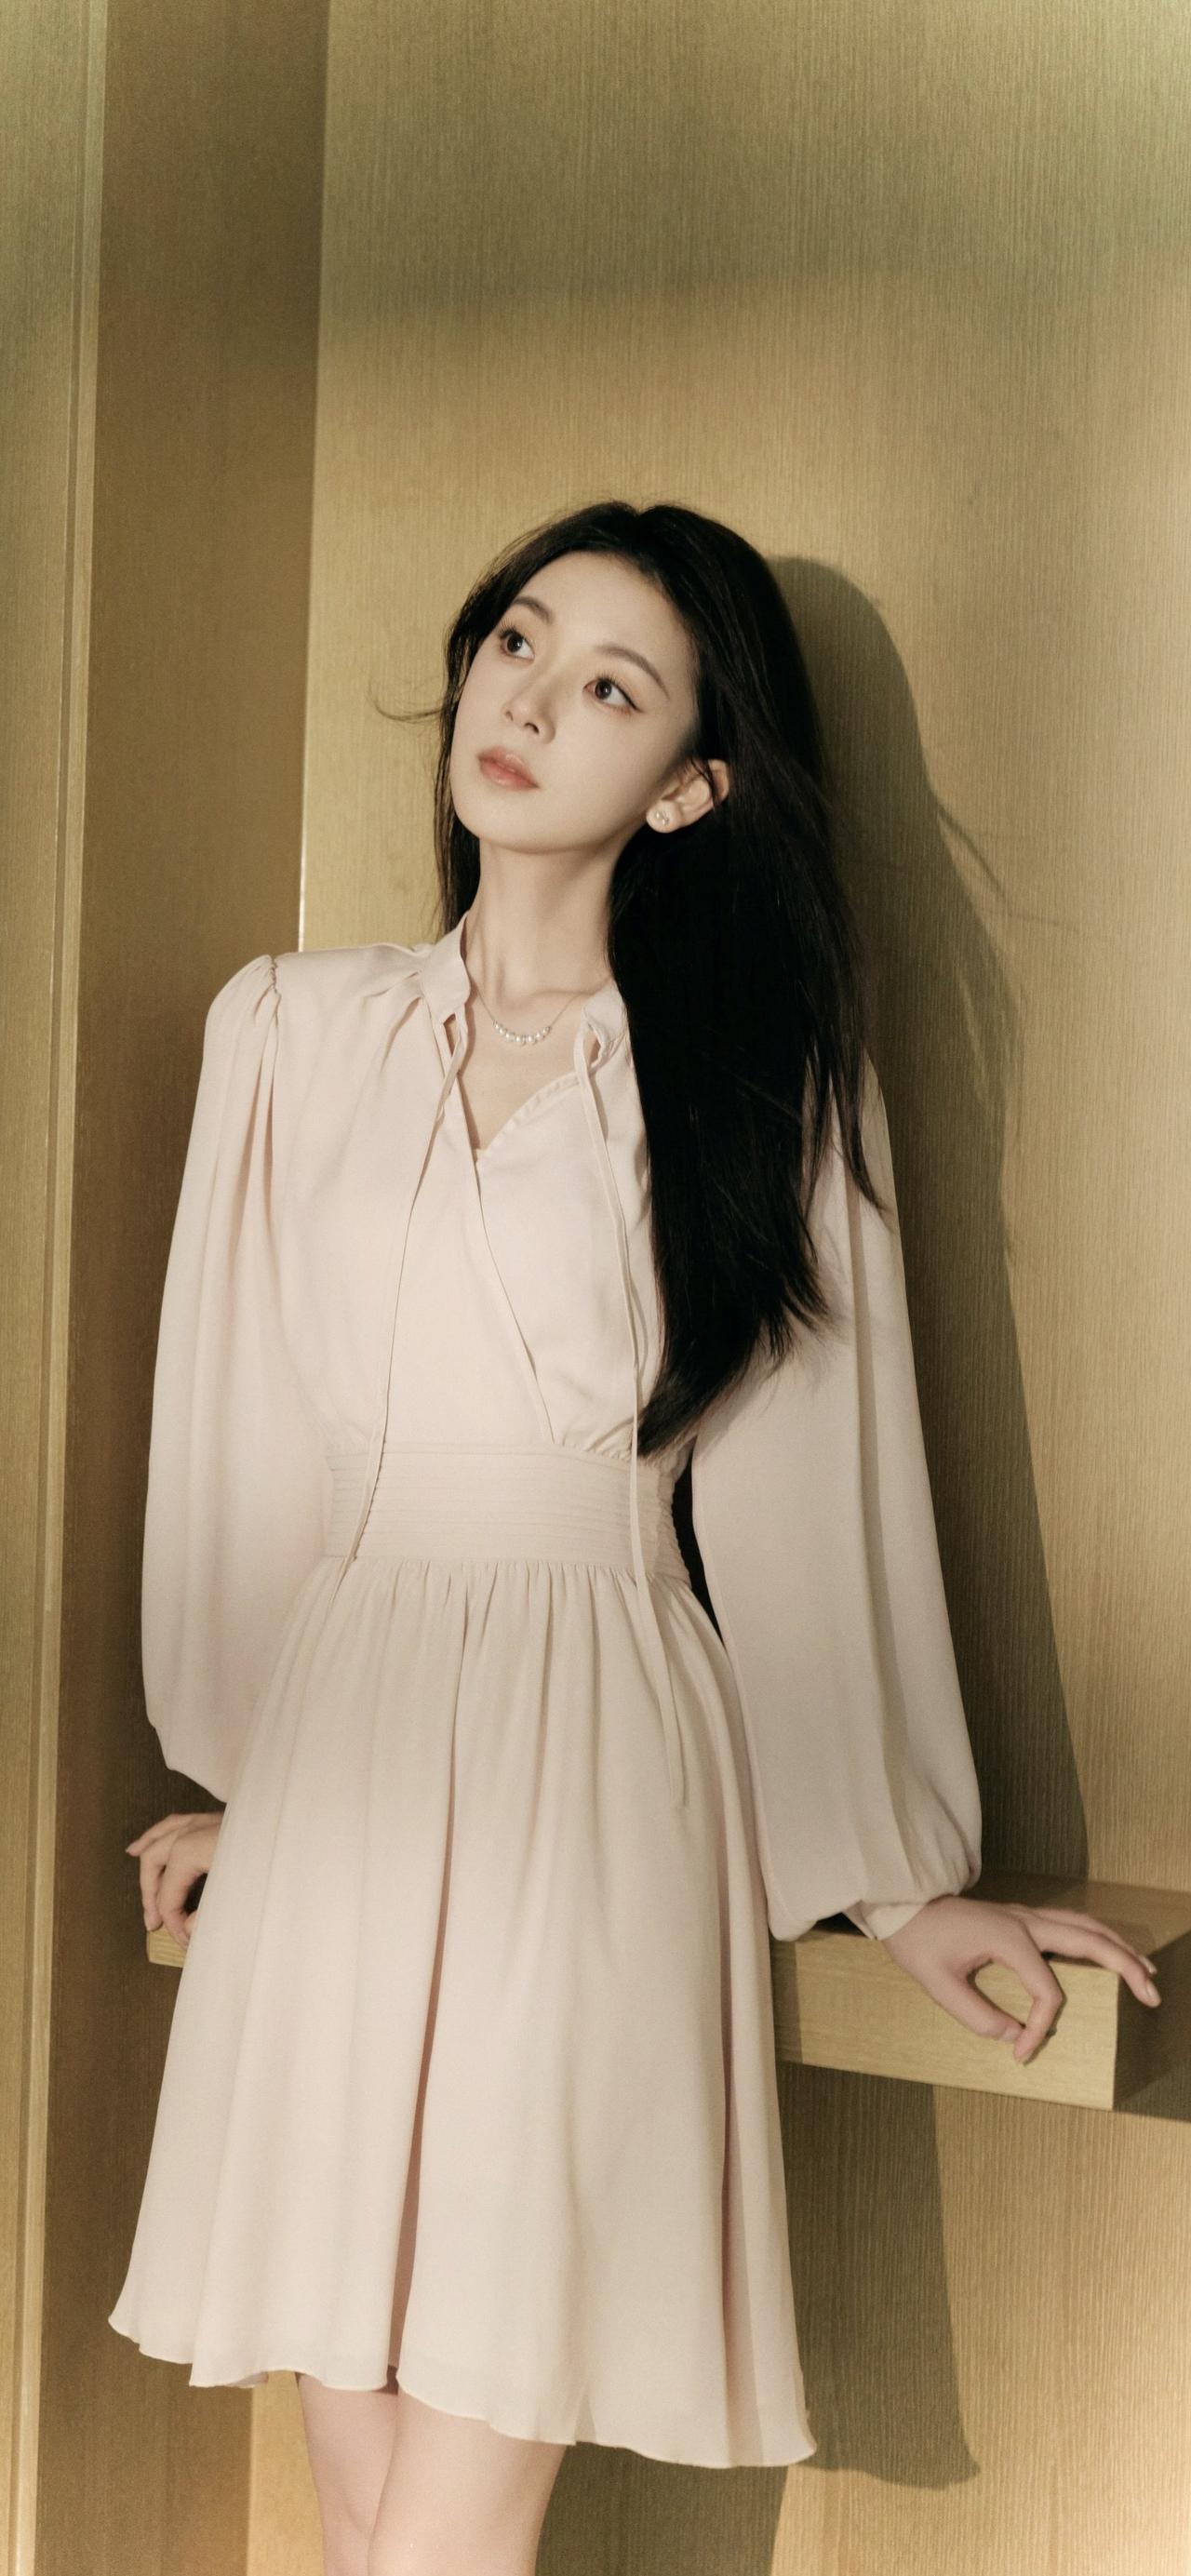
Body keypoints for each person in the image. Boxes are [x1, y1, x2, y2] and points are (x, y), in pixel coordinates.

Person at [110, 501, 1160, 2576]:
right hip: (340, 1759)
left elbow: (815, 1492)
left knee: (446, 2528)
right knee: (362, 2512)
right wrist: (238, 1759)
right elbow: (233, 1426)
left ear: (689, 783)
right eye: (519, 639)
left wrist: (894, 1875)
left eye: (610, 685)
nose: (526, 698)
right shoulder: (285, 1029)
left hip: (594, 1752)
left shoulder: (763, 1085)